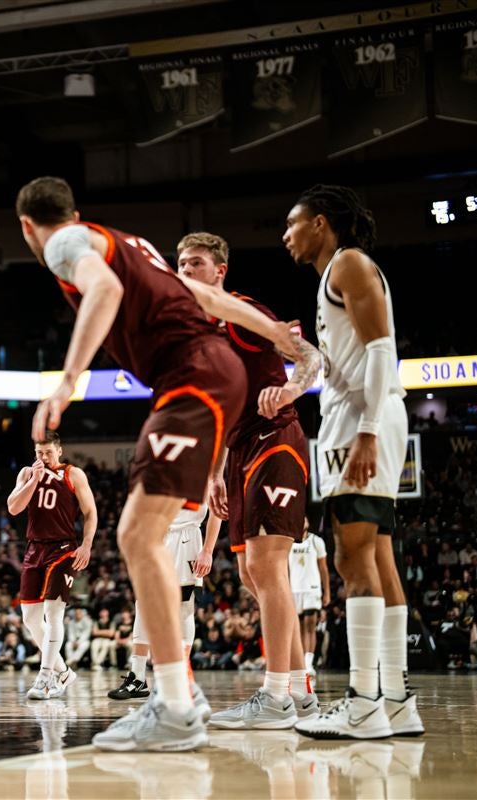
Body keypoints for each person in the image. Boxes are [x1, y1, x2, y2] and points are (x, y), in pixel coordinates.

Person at [16, 176, 294, 751]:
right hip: (211, 375)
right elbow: (211, 300)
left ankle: (174, 703)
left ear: (27, 227)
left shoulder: (63, 244)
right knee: (141, 537)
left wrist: (67, 382)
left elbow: (104, 295)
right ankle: (176, 695)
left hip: (193, 377)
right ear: (76, 209)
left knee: (138, 537)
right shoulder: (129, 242)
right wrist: (276, 335)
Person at [283, 185, 423, 738]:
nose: (285, 235)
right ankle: (395, 700)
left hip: (365, 419)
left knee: (351, 558)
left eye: (292, 224)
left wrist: (365, 431)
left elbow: (383, 348)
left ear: (321, 223)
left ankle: (363, 699)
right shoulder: (338, 272)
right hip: (366, 414)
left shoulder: (348, 264)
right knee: (379, 557)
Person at [176, 231, 323, 730]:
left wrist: (288, 391)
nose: (185, 270)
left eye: (195, 263)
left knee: (267, 566)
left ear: (219, 272)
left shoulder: (241, 311)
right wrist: (215, 472)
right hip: (238, 451)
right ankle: (301, 689)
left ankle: (276, 696)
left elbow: (309, 358)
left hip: (276, 438)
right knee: (248, 576)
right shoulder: (195, 335)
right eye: (180, 263)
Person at [6, 431, 96, 700]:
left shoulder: (73, 474)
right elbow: (13, 508)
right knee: (30, 618)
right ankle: (64, 672)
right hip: (34, 548)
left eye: (47, 452)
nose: (43, 457)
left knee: (52, 612)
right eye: (39, 453)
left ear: (59, 450)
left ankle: (45, 677)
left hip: (63, 548)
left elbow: (90, 512)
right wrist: (33, 480)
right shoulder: (27, 473)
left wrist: (87, 544)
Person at [110, 504, 220, 708]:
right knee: (143, 604)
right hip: (157, 536)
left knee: (182, 607)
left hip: (185, 538)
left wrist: (207, 550)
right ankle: (138, 677)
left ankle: (182, 676)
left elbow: (218, 510)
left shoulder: (205, 473)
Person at [289, 519, 330, 687]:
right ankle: (299, 664)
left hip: (312, 588)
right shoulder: (288, 541)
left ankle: (308, 663)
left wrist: (327, 591)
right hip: (294, 589)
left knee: (310, 625)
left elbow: (323, 568)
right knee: (297, 628)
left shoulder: (316, 541)